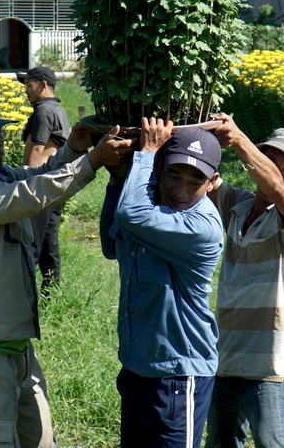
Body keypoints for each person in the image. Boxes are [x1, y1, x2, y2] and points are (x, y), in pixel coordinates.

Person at [0, 94, 133, 448]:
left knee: (41, 440)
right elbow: (29, 194)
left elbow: (39, 175)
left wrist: (73, 150)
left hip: (15, 348)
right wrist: (92, 161)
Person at [100, 118, 224, 448]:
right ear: (161, 170)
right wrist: (118, 180)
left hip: (177, 377)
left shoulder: (202, 228)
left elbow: (130, 217)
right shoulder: (151, 208)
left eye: (195, 180)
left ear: (212, 182)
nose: (181, 189)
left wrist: (146, 152)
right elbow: (112, 245)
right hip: (138, 367)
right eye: (174, 174)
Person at [204, 115, 284, 448]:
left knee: (273, 444)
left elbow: (276, 187)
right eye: (271, 161)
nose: (278, 174)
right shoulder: (237, 205)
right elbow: (202, 177)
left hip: (266, 366)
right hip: (223, 360)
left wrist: (238, 139)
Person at [17, 66, 70, 294]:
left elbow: (37, 147)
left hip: (39, 183)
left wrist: (25, 180)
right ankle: (51, 291)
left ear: (43, 85)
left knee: (33, 241)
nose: (26, 90)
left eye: (30, 85)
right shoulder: (57, 109)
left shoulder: (42, 111)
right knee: (49, 239)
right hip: (54, 182)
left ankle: (24, 295)